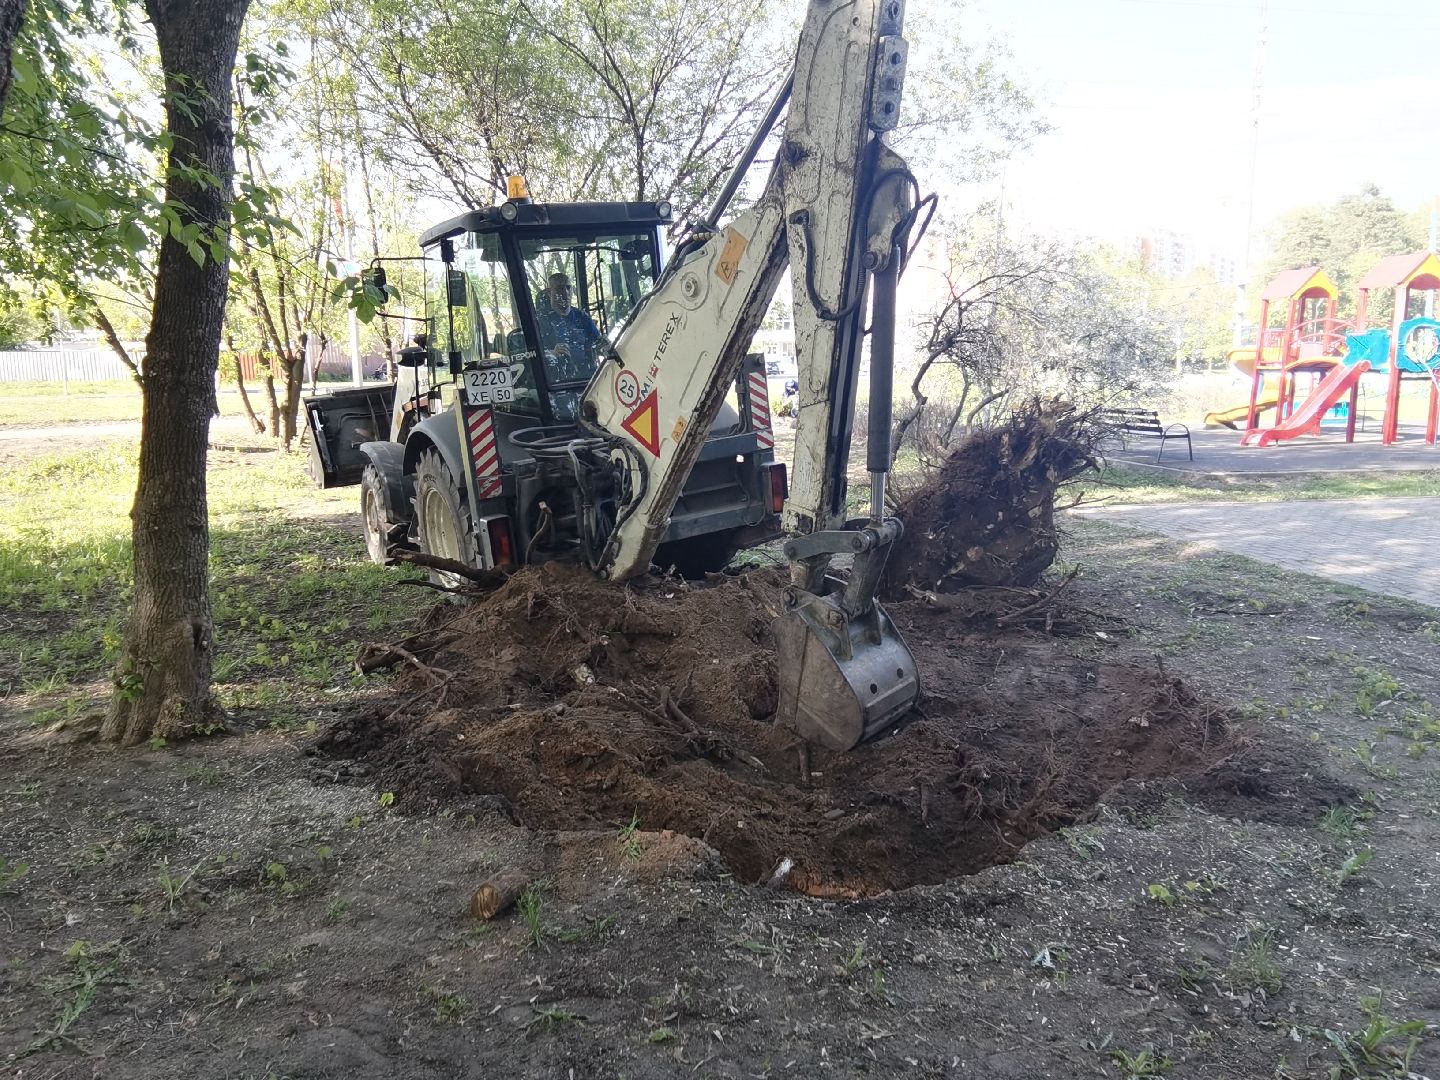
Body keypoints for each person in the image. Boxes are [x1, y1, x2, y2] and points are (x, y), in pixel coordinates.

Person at [535, 272, 601, 384]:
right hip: (556, 383)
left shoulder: (582, 317)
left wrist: (603, 345)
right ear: (549, 292)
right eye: (560, 288)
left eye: (568, 287)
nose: (565, 292)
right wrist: (551, 353)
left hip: (588, 380)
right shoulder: (539, 322)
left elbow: (597, 343)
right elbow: (532, 355)